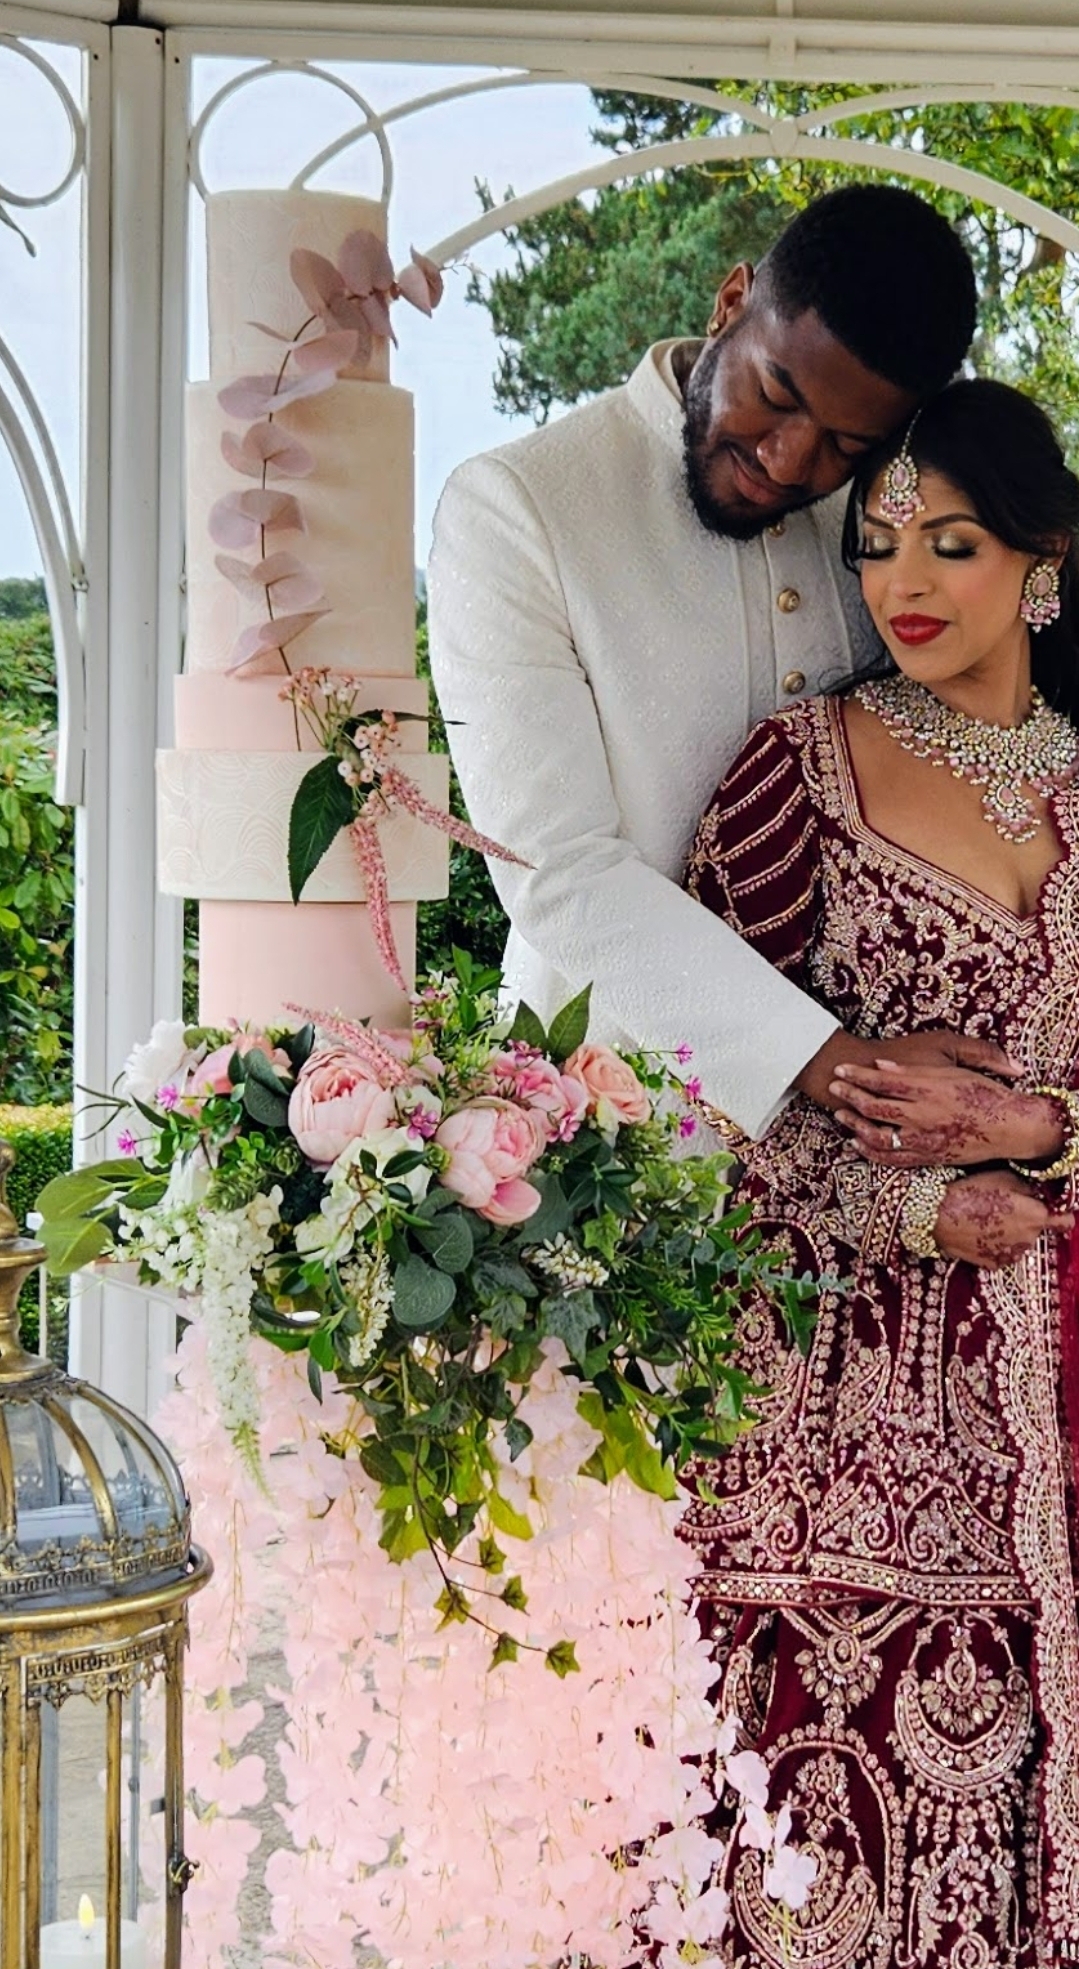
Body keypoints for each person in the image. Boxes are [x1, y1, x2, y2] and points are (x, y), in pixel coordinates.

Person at [682, 377, 1079, 1966]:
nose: (901, 583)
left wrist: (1044, 1128)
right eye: (874, 545)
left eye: (951, 543)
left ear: (1043, 559)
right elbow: (691, 1091)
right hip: (834, 1427)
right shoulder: (796, 776)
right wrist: (912, 1197)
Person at [428, 184, 1036, 1164]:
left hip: (874, 1170)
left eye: (846, 443)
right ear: (729, 302)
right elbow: (557, 871)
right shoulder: (519, 507)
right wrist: (832, 1064)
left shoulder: (885, 523)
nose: (787, 461)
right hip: (604, 1151)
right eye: (776, 395)